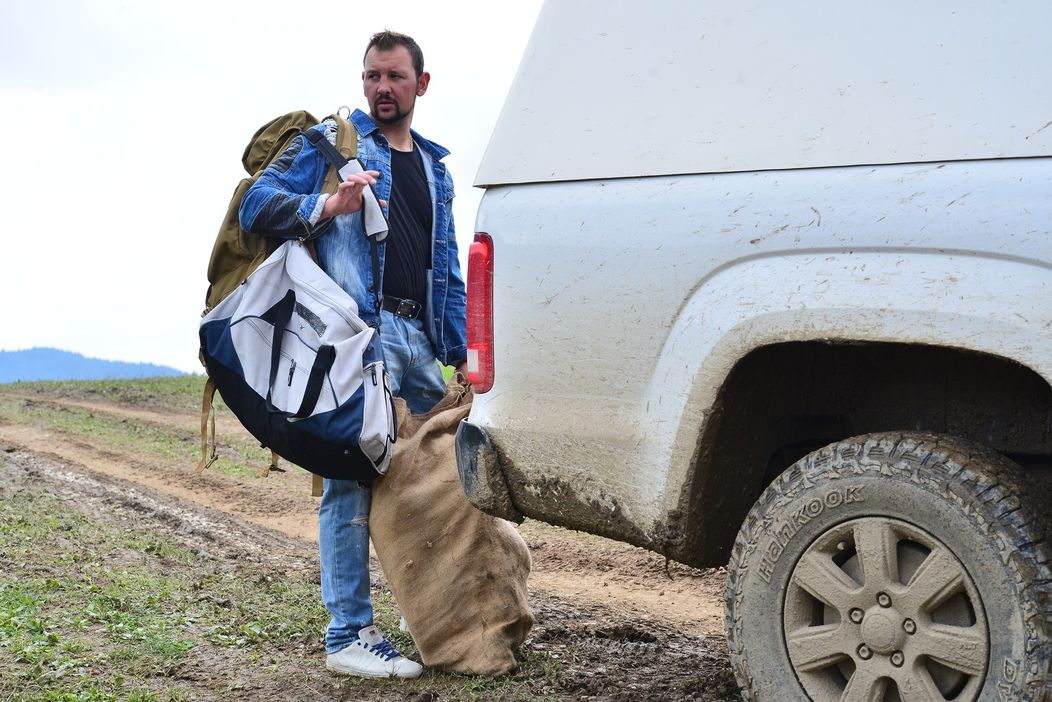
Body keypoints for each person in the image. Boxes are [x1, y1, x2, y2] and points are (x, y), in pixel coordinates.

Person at [238, 30, 467, 679]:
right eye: (372, 76)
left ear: (421, 84)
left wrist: (461, 351)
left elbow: (442, 272)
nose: (381, 88)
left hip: (419, 345)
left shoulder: (434, 169)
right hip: (355, 341)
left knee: (448, 477)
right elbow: (256, 204)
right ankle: (347, 635)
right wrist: (324, 204)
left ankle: (447, 618)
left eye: (394, 76)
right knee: (350, 480)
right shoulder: (332, 142)